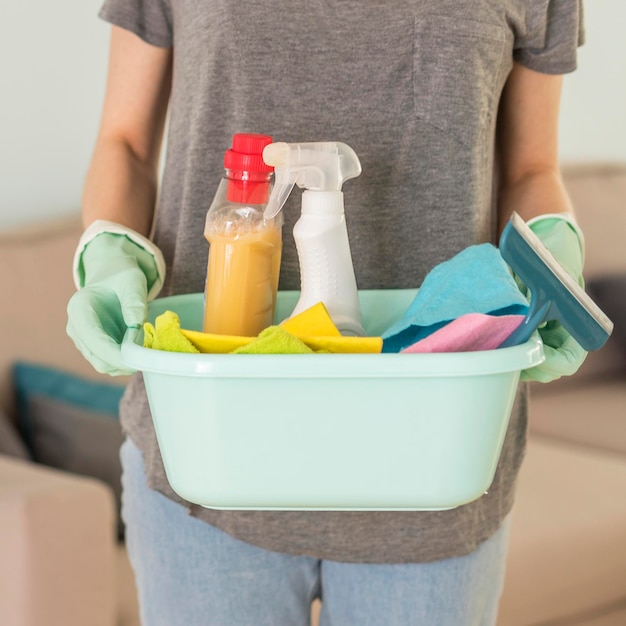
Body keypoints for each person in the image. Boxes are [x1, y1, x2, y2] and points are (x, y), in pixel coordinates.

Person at [67, 1, 587, 624]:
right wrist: (109, 248)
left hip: (433, 459)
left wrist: (555, 246)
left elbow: (532, 168)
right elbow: (123, 141)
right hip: (210, 454)